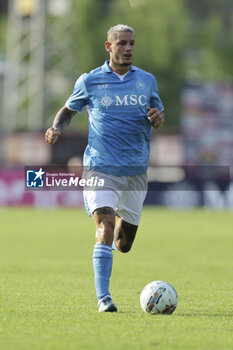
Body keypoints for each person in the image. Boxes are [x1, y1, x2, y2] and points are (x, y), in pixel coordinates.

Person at [45, 24, 164, 312]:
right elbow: (68, 110)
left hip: (135, 171)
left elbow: (158, 114)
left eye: (132, 43)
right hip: (101, 167)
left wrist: (158, 117)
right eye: (122, 43)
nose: (128, 48)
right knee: (105, 225)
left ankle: (109, 254)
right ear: (108, 47)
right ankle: (104, 299)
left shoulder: (146, 81)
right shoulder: (90, 81)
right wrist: (56, 127)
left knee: (123, 243)